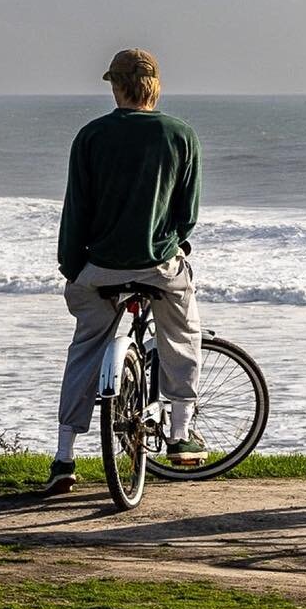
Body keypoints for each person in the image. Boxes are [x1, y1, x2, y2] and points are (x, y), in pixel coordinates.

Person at [47, 48, 203, 495]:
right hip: (158, 264)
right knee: (182, 333)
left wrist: (72, 267)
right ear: (155, 85)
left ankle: (64, 457)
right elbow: (186, 213)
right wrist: (173, 241)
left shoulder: (91, 136)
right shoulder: (180, 134)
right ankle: (178, 435)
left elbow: (76, 209)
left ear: (116, 86)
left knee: (86, 349)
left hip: (99, 267)